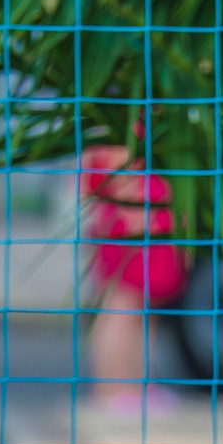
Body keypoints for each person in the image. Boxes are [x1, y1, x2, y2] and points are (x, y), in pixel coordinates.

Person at [78, 141, 186, 421]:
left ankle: (137, 387)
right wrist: (137, 218)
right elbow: (118, 173)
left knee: (140, 313)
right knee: (120, 309)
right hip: (132, 231)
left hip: (138, 227)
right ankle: (113, 390)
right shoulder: (124, 123)